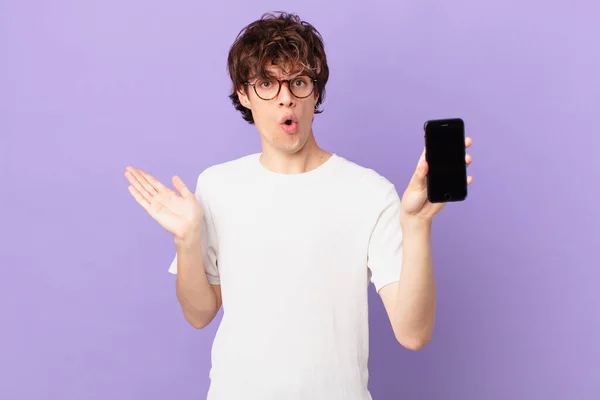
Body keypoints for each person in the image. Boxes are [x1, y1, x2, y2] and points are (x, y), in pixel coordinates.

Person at [124, 11, 473, 400]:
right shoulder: (217, 186)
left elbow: (413, 333)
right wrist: (187, 240)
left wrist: (417, 225)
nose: (286, 98)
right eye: (267, 84)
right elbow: (199, 313)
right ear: (244, 94)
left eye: (299, 82)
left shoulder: (369, 192)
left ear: (316, 93)